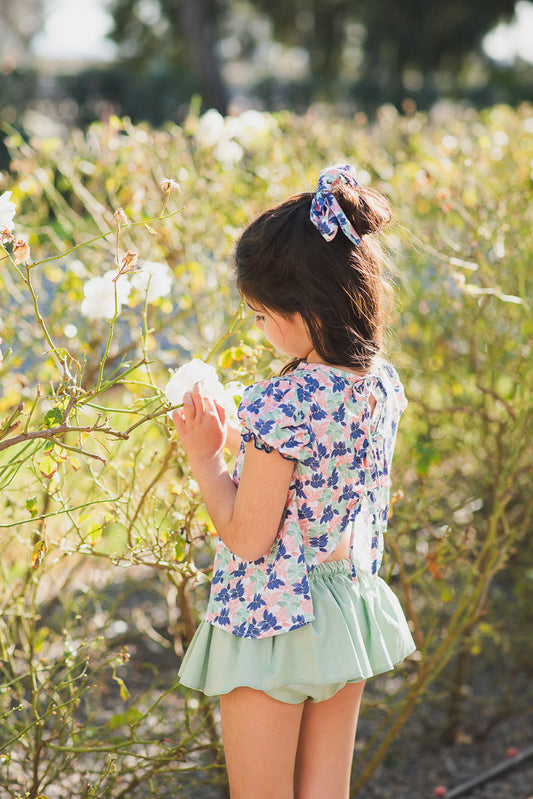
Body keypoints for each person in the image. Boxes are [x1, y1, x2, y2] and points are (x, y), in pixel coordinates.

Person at [172, 164, 416, 799]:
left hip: (271, 618)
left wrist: (205, 458)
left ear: (303, 309)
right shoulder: (378, 382)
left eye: (259, 313)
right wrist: (235, 429)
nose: (258, 326)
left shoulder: (284, 402)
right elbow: (313, 463)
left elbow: (250, 537)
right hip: (341, 607)